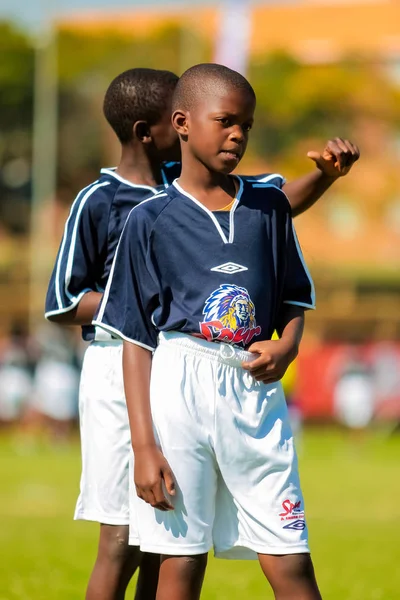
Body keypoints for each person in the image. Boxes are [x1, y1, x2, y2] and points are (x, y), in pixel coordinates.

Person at [46, 65, 358, 599]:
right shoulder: (130, 211)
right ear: (175, 124)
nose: (238, 134)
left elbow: (285, 259)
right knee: (148, 547)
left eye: (247, 125)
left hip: (239, 384)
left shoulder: (252, 202)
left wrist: (286, 343)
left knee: (261, 555)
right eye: (226, 120)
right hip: (155, 372)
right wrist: (144, 443)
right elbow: (101, 320)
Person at [45, 68, 181, 600]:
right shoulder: (96, 200)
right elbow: (62, 302)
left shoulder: (184, 189)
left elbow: (272, 199)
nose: (187, 122)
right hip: (114, 366)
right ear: (147, 130)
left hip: (175, 365)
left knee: (166, 536)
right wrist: (140, 303)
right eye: (178, 115)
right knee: (121, 538)